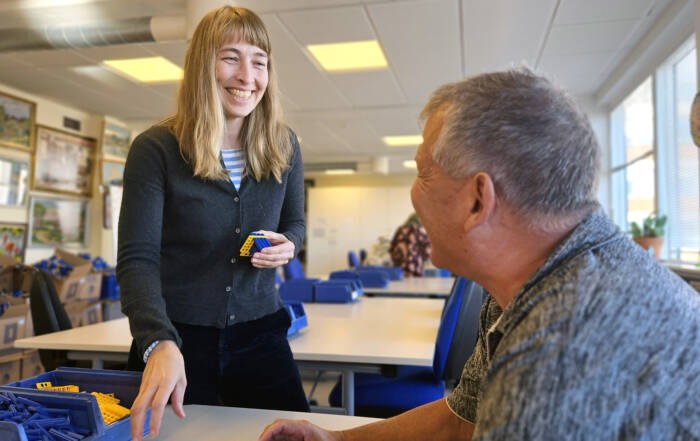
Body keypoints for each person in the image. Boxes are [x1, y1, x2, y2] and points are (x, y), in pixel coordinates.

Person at [258, 68, 700, 441]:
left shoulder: (557, 354)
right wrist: (335, 439)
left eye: (424, 174)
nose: (414, 198)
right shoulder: (528, 279)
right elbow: (461, 419)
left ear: (477, 201)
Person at [117, 6, 308, 441]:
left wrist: (290, 245)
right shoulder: (157, 150)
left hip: (262, 333)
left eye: (259, 61)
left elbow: (295, 223)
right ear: (203, 65)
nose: (247, 75)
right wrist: (157, 342)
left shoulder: (284, 145)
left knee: (295, 434)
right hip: (178, 337)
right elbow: (137, 260)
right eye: (231, 57)